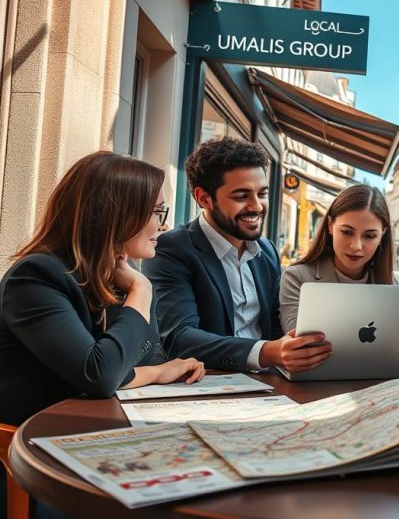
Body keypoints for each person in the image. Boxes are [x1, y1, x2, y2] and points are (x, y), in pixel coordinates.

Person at [0, 152, 205, 427]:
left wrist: (151, 372)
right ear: (116, 215)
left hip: (98, 429)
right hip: (31, 445)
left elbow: (135, 361)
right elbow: (101, 375)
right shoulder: (36, 277)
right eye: (157, 212)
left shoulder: (115, 277)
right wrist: (141, 291)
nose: (164, 224)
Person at [144, 137, 330, 374]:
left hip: (268, 385)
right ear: (204, 198)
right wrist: (267, 352)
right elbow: (179, 338)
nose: (257, 206)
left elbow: (275, 328)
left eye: (262, 194)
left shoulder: (268, 252)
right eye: (241, 196)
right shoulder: (172, 249)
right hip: (207, 387)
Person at [280, 184, 399, 332]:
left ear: (382, 234)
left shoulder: (396, 285)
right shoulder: (297, 278)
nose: (356, 246)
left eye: (370, 236)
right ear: (330, 225)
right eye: (347, 232)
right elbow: (297, 346)